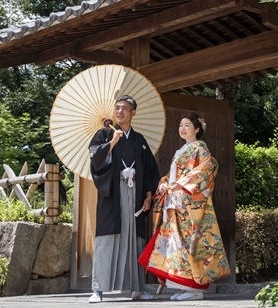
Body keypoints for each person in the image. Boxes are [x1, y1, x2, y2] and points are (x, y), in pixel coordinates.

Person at [139, 112, 230, 301]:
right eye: (181, 125)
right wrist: (164, 183)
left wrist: (179, 185)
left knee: (190, 243)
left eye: (187, 125)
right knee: (177, 244)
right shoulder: (181, 150)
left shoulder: (200, 149)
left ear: (197, 129)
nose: (182, 128)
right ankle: (183, 285)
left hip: (189, 203)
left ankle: (195, 289)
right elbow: (173, 177)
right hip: (176, 203)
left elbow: (205, 172)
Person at [88, 94, 160, 303]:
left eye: (125, 108)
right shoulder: (104, 134)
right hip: (113, 194)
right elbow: (95, 160)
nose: (120, 111)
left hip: (135, 194)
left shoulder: (140, 140)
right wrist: (112, 143)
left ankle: (136, 289)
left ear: (133, 113)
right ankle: (98, 289)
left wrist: (148, 195)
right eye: (117, 108)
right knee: (106, 240)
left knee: (134, 240)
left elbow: (149, 169)